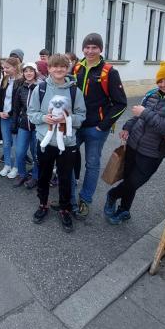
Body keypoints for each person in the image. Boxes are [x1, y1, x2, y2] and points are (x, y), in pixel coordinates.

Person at [105, 61, 165, 224]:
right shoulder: (152, 93)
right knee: (128, 180)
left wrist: (145, 113)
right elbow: (137, 117)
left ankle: (112, 195)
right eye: (160, 81)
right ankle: (124, 210)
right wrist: (127, 127)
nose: (163, 84)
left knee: (134, 182)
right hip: (133, 144)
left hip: (153, 151)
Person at [27, 54, 86, 232]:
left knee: (66, 178)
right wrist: (44, 118)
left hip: (67, 143)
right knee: (44, 176)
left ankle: (64, 208)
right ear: (49, 68)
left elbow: (82, 116)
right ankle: (43, 204)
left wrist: (66, 118)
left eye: (62, 66)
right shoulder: (41, 89)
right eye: (55, 67)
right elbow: (31, 113)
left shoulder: (75, 91)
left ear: (67, 68)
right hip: (45, 142)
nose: (59, 70)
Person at [72, 33, 127, 218]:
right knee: (67, 159)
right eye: (87, 47)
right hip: (76, 125)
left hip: (95, 128)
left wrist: (103, 126)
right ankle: (69, 197)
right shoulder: (76, 68)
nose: (90, 51)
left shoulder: (109, 72)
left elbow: (121, 103)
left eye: (94, 47)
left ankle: (85, 200)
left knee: (92, 164)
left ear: (100, 49)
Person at [12, 62, 40, 189]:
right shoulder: (20, 88)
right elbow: (16, 108)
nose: (28, 73)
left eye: (31, 71)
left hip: (37, 126)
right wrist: (14, 124)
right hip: (24, 125)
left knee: (36, 153)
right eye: (26, 71)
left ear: (35, 72)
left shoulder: (41, 87)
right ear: (23, 73)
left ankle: (35, 176)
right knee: (20, 152)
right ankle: (22, 174)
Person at [0, 57, 22, 178]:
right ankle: (7, 165)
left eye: (7, 67)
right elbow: (1, 97)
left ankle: (16, 167)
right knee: (6, 143)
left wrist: (10, 113)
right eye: (4, 67)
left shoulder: (21, 81)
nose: (4, 69)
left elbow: (19, 102)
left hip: (15, 117)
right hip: (4, 116)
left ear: (15, 67)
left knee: (17, 144)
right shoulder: (6, 79)